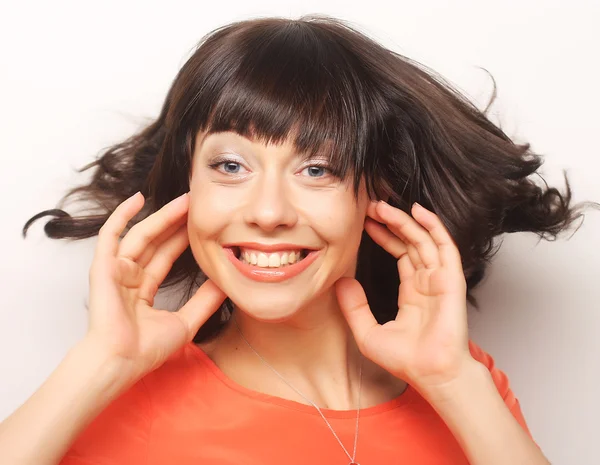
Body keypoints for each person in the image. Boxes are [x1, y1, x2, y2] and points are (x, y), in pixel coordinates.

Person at [1, 14, 597, 465]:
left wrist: (451, 381)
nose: (267, 212)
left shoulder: (466, 384)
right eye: (230, 166)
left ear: (376, 195)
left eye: (319, 169)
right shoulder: (122, 400)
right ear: (186, 188)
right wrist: (100, 364)